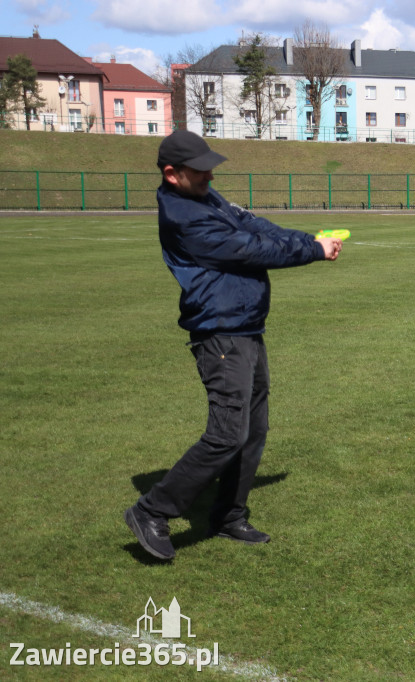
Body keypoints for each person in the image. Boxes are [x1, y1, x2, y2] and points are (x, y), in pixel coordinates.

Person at [124, 130, 344, 560]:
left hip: (245, 327)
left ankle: (228, 515)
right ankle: (152, 510)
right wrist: (312, 252)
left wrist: (308, 240)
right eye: (199, 168)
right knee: (227, 435)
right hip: (220, 331)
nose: (209, 173)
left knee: (253, 430)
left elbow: (254, 225)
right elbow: (250, 248)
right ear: (172, 175)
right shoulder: (185, 217)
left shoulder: (207, 197)